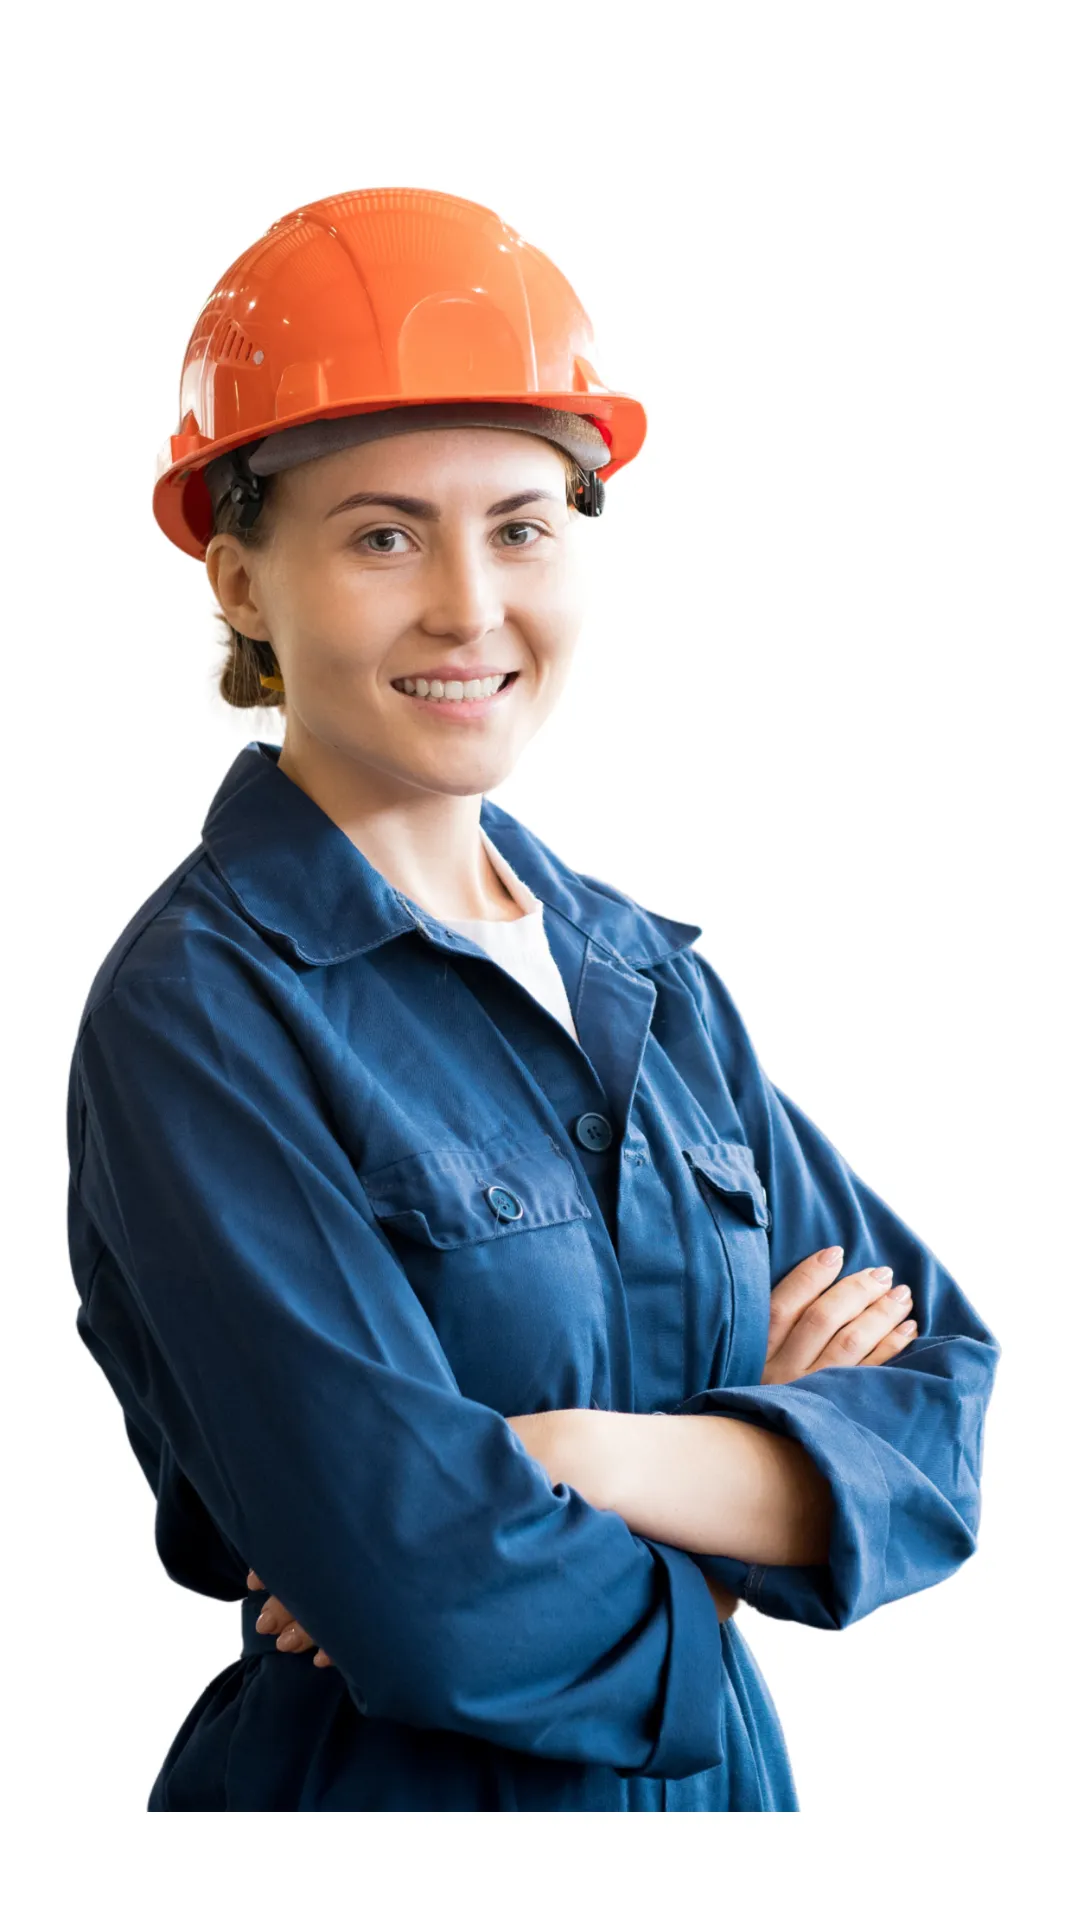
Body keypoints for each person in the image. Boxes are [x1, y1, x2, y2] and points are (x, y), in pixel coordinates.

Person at [65, 186, 1001, 1812]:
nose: (468, 604)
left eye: (519, 526)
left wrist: (570, 1458)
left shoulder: (647, 979)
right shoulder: (202, 1014)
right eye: (381, 535)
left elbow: (936, 1428)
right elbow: (426, 1596)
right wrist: (743, 1509)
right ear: (240, 580)